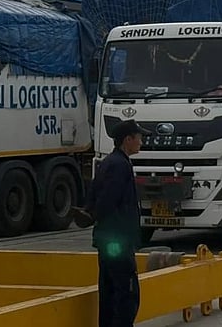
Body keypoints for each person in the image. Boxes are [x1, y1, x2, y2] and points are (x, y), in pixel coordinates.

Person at [74, 119, 149, 327]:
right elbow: (108, 199)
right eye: (139, 138)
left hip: (108, 238)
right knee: (125, 292)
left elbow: (94, 195)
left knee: (108, 291)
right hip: (117, 240)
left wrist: (90, 213)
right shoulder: (119, 165)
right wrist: (95, 215)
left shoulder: (109, 162)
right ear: (128, 139)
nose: (141, 142)